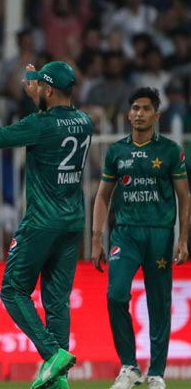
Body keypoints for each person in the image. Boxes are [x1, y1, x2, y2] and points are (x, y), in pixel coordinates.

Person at [0, 61, 94, 389]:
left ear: (50, 89)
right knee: (56, 301)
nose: (35, 88)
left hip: (42, 221)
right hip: (72, 222)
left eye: (40, 85)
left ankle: (51, 354)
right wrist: (36, 97)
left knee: (12, 290)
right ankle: (59, 382)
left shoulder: (41, 124)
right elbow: (54, 125)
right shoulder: (84, 121)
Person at [91, 87, 189, 389]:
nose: (139, 113)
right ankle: (130, 367)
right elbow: (103, 196)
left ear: (156, 115)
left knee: (159, 303)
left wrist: (183, 238)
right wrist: (96, 238)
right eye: (135, 108)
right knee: (115, 294)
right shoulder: (117, 151)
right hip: (126, 233)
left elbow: (184, 197)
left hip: (159, 233)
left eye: (146, 108)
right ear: (128, 113)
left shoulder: (170, 151)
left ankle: (156, 373)